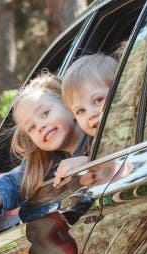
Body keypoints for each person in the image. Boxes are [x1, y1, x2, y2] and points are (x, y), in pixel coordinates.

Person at [0, 71, 85, 221]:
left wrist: (88, 163)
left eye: (45, 113)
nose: (40, 126)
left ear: (68, 103)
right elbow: (16, 182)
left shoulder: (103, 132)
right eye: (31, 127)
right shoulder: (42, 164)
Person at [53, 52, 118, 188]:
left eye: (98, 100)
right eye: (81, 111)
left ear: (120, 90)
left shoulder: (132, 128)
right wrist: (87, 161)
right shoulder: (95, 145)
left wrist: (87, 162)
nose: (91, 114)